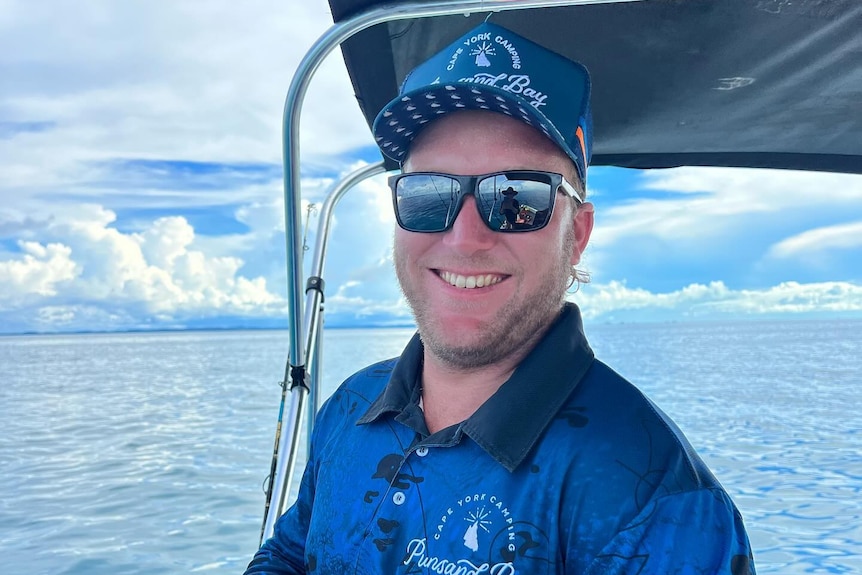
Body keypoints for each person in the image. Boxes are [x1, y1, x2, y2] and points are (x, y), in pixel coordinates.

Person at [246, 21, 756, 574]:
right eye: (427, 193)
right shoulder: (349, 408)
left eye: (516, 197)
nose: (464, 239)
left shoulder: (656, 505)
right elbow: (292, 554)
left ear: (576, 235)